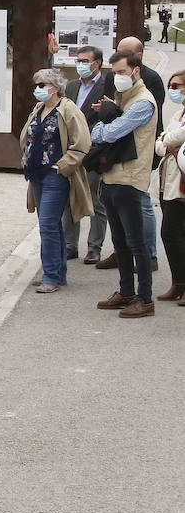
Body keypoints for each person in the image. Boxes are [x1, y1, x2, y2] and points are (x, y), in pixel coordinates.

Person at [90, 50, 159, 317]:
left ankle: (145, 298)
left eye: (121, 72)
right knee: (119, 241)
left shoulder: (142, 102)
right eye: (115, 73)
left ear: (136, 71)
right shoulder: (124, 98)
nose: (117, 77)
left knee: (136, 242)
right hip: (113, 176)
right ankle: (126, 291)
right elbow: (107, 129)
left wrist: (104, 119)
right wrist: (109, 115)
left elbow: (108, 133)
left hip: (130, 178)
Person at [18, 69, 92, 293]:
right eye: (37, 84)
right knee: (51, 225)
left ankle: (50, 274)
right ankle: (57, 272)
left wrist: (62, 166)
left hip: (55, 175)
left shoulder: (68, 109)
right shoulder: (39, 108)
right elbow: (30, 137)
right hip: (37, 175)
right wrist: (26, 158)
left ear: (56, 87)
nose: (38, 88)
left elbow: (82, 143)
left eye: (43, 84)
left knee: (48, 224)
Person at [98, 36, 164, 271]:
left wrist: (110, 120)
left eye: (125, 54)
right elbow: (109, 110)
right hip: (116, 152)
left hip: (140, 149)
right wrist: (109, 117)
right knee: (117, 209)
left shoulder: (151, 81)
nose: (118, 72)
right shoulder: (113, 77)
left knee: (142, 203)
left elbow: (126, 120)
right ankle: (120, 251)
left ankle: (150, 255)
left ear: (139, 58)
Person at [62, 46, 112, 263]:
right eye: (78, 60)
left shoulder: (106, 86)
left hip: (93, 152)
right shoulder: (71, 86)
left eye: (85, 61)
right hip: (70, 151)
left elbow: (110, 118)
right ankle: (70, 245)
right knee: (68, 199)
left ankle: (94, 247)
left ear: (97, 63)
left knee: (95, 200)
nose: (80, 64)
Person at [153, 69, 185, 303]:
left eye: (177, 86)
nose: (172, 90)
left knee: (172, 233)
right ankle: (178, 283)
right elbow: (162, 141)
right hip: (169, 182)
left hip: (181, 184)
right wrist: (167, 140)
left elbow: (171, 139)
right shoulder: (178, 114)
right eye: (171, 86)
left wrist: (167, 140)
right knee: (172, 234)